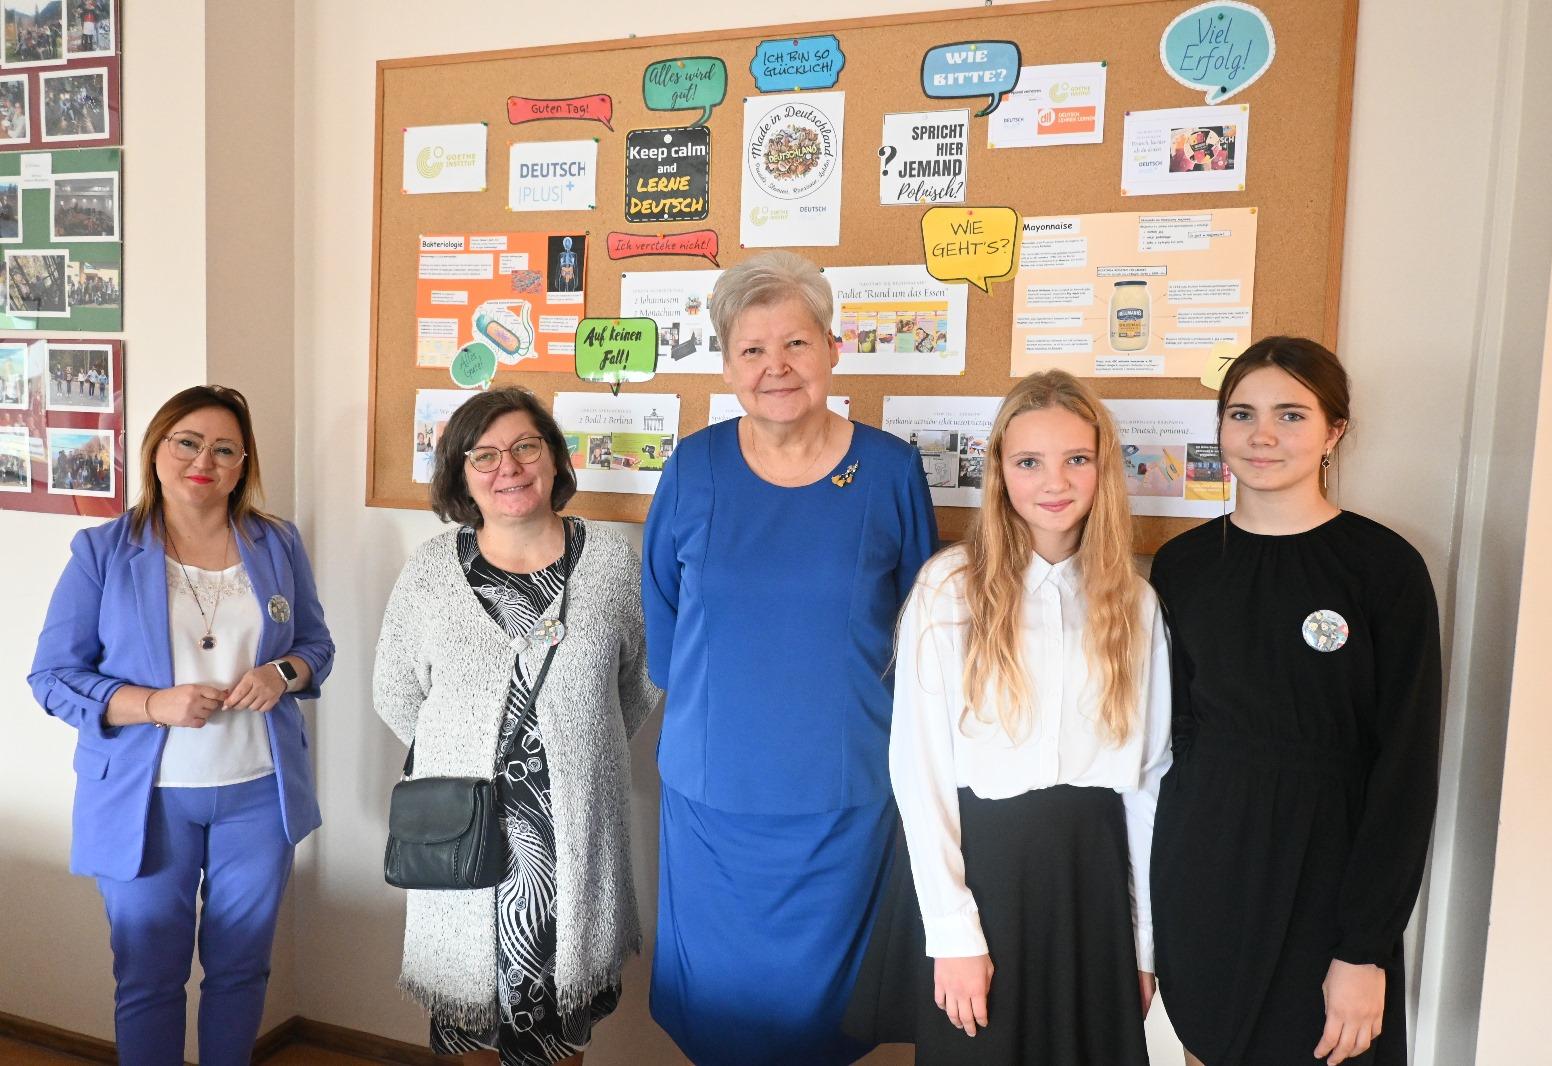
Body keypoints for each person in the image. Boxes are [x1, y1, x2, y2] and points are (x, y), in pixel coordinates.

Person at [642, 250, 939, 1065]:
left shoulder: (890, 471)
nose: (776, 367)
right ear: (727, 365)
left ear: (833, 349)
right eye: (752, 350)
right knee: (720, 1015)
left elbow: (925, 631)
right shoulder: (693, 467)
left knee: (824, 1023)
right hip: (713, 798)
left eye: (796, 343)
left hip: (844, 798)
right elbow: (663, 619)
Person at [845, 371, 1171, 1064]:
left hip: (1092, 883)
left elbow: (1147, 783)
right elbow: (920, 771)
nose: (1055, 482)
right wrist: (953, 933)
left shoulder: (1135, 604)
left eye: (1076, 459)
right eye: (1029, 461)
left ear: (1103, 468)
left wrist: (1143, 944)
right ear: (999, 470)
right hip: (983, 875)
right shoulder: (950, 589)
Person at [1149, 337, 1442, 1066]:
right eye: (1241, 414)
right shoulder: (1182, 566)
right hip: (1205, 870)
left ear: (1333, 431)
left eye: (1290, 415)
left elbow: (1405, 771)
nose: (1262, 435)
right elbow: (1164, 740)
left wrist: (1365, 948)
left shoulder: (1384, 568)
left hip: (1329, 884)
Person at [28, 385, 334, 1065]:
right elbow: (52, 678)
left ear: (243, 463)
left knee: (242, 969)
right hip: (144, 800)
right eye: (187, 443)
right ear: (156, 450)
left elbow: (316, 646)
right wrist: (151, 703)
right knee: (148, 976)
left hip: (259, 794)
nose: (205, 461)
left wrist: (281, 674)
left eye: (225, 449)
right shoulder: (103, 551)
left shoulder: (277, 542)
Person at [373, 386, 658, 1066]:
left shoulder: (613, 562)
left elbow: (638, 685)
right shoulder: (430, 571)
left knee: (558, 1025)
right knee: (466, 1021)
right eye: (485, 454)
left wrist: (575, 748)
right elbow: (396, 692)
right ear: (461, 473)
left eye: (526, 446)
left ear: (554, 458)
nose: (509, 467)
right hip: (461, 832)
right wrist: (470, 751)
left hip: (572, 838)